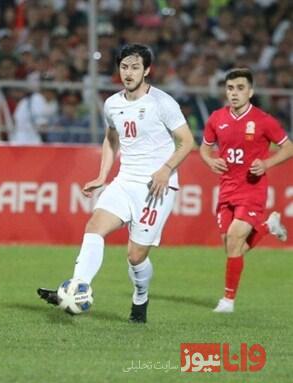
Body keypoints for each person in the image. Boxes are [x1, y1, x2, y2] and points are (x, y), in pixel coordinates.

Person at [37, 44, 195, 323]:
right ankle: (77, 286)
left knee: (135, 256)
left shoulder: (162, 102)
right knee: (94, 227)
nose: (129, 73)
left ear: (147, 70)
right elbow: (112, 139)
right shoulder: (112, 104)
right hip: (125, 181)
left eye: (135, 67)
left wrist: (166, 169)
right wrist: (102, 175)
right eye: (124, 67)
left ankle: (140, 297)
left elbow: (187, 140)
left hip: (156, 188)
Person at [199, 68, 293, 313]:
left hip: (252, 190)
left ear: (250, 92)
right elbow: (204, 148)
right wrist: (210, 161)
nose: (234, 93)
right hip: (226, 190)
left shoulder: (263, 120)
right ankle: (267, 227)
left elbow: (288, 148)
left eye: (240, 88)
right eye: (230, 88)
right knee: (232, 247)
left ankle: (228, 301)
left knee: (235, 238)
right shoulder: (216, 118)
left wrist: (267, 163)